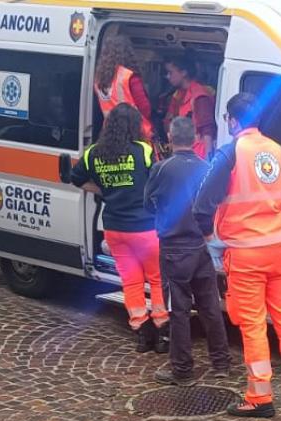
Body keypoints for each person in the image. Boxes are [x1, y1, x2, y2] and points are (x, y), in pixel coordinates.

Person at [193, 92, 281, 418]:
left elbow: (204, 201)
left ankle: (260, 396)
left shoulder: (230, 154)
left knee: (253, 324)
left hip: (247, 252)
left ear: (232, 120)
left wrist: (205, 231)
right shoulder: (280, 153)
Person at [72, 103, 167, 352]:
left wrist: (104, 190)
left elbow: (76, 178)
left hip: (114, 228)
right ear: (135, 126)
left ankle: (141, 330)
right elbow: (156, 181)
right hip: (145, 227)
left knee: (131, 281)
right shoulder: (143, 151)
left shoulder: (94, 153)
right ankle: (161, 330)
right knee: (157, 279)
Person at [144, 116, 231, 384]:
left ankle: (181, 369)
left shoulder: (161, 169)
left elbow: (148, 203)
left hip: (173, 247)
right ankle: (221, 361)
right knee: (210, 305)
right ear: (194, 139)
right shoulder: (207, 168)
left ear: (170, 137)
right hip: (200, 244)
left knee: (178, 309)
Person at [94, 34, 155, 143]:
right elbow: (145, 108)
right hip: (136, 134)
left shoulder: (99, 79)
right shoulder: (129, 77)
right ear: (127, 53)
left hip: (110, 133)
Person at [163, 55, 216, 159]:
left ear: (184, 72)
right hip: (182, 152)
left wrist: (208, 159)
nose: (168, 77)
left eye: (171, 72)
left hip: (196, 155)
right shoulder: (177, 95)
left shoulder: (199, 96)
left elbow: (207, 131)